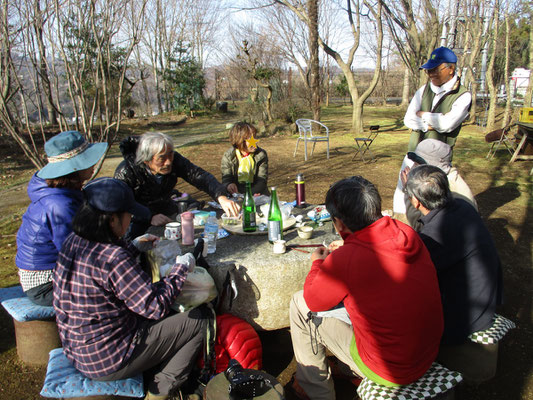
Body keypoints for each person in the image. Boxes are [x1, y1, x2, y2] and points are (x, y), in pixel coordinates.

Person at [289, 176, 443, 400]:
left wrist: (317, 263)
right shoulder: (405, 232)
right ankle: (346, 369)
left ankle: (316, 392)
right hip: (425, 355)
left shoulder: (347, 259)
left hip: (388, 368)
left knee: (299, 304)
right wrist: (351, 244)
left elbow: (313, 300)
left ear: (339, 223)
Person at [53, 178, 206, 400]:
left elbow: (106, 278)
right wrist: (181, 268)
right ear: (112, 219)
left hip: (77, 348)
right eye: (128, 214)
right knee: (200, 320)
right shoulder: (113, 258)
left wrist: (133, 246)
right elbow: (156, 307)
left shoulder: (73, 241)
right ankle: (161, 391)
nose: (131, 218)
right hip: (108, 359)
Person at [404, 165, 503, 345]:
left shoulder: (436, 234)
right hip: (486, 297)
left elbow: (406, 273)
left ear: (416, 202)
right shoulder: (462, 205)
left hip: (467, 315)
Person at [15, 130, 107, 306]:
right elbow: (75, 253)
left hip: (57, 270)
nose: (93, 165)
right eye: (88, 161)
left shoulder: (64, 193)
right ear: (75, 168)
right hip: (45, 284)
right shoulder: (59, 206)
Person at [114, 132, 240, 239]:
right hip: (137, 218)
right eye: (161, 158)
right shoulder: (126, 172)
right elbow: (120, 206)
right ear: (146, 160)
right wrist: (148, 216)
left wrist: (221, 196)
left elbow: (199, 176)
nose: (168, 162)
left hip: (165, 208)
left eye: (171, 154)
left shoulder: (175, 160)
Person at [394, 46, 472, 215]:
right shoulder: (423, 91)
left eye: (436, 69)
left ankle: (431, 231)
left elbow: (447, 124)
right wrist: (428, 124)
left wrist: (423, 115)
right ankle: (403, 227)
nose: (431, 74)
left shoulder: (463, 95)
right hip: (414, 151)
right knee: (402, 191)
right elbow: (408, 119)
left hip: (438, 158)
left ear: (451, 69)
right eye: (428, 70)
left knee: (431, 197)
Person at [399, 139, 477, 231]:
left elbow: (420, 225)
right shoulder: (442, 179)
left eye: (418, 164)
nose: (413, 168)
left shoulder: (448, 190)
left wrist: (409, 189)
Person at [221, 122, 269, 196]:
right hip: (235, 196)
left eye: (255, 137)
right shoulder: (228, 156)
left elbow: (262, 180)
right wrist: (229, 184)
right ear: (240, 140)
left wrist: (248, 195)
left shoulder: (261, 155)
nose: (254, 141)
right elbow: (226, 178)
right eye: (250, 138)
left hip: (257, 194)